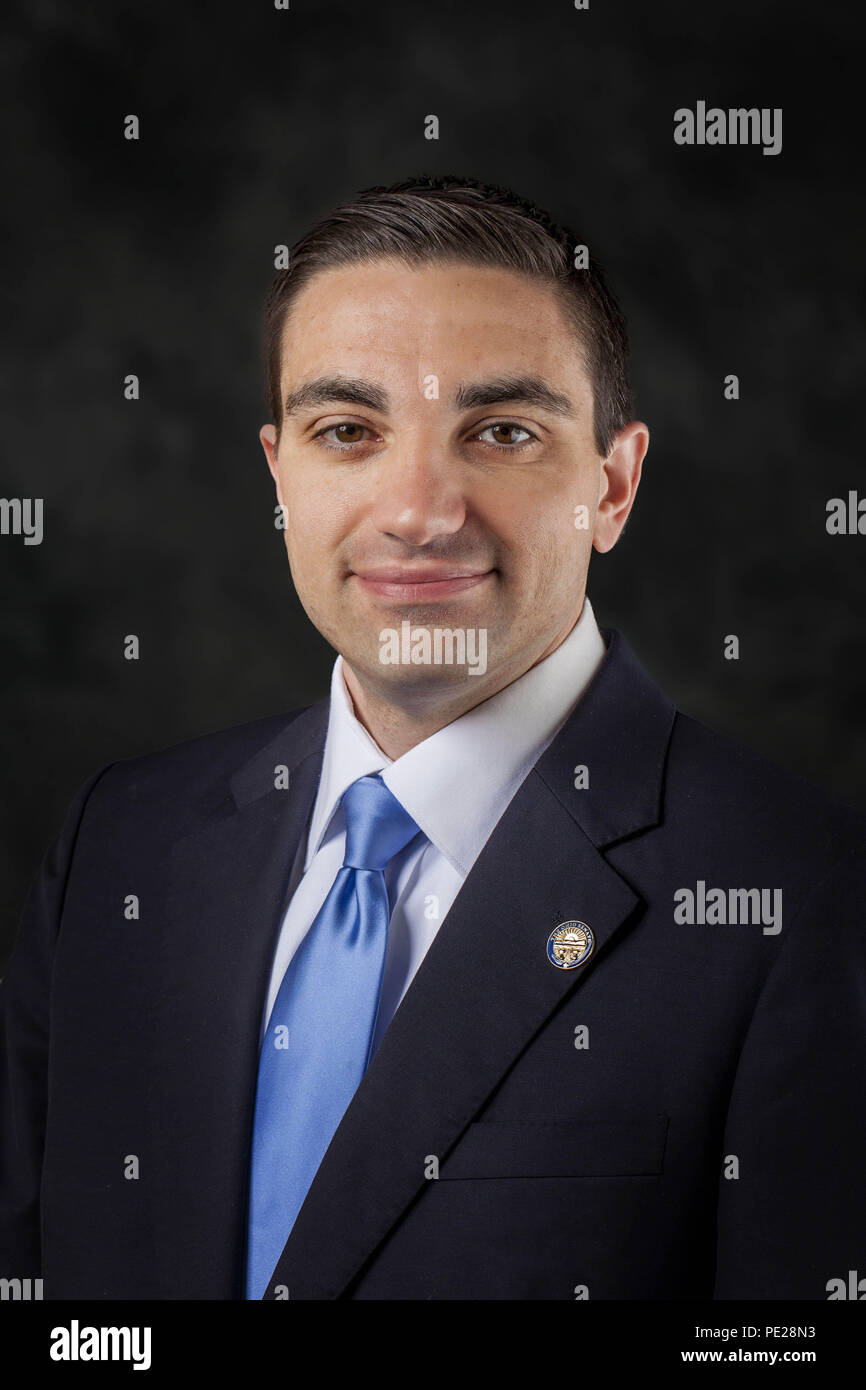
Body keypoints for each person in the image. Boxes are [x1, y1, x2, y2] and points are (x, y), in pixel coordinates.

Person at [1, 175, 864, 1301]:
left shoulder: (801, 895)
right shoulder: (119, 843)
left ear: (610, 486)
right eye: (347, 430)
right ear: (280, 475)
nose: (418, 509)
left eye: (501, 431)